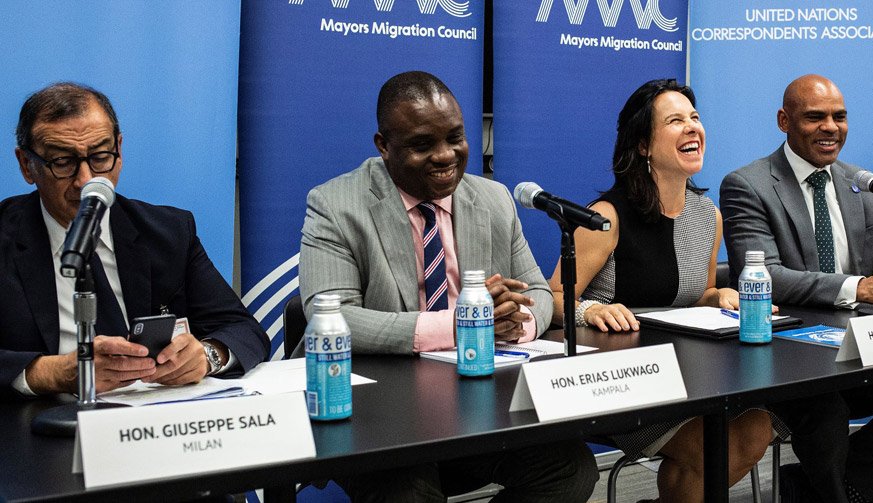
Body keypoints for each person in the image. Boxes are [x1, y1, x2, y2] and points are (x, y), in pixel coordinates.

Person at [299, 70, 597, 502]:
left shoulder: (493, 199)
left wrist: (517, 322)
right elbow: (331, 314)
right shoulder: (335, 204)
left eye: (455, 138)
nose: (445, 156)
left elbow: (537, 292)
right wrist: (461, 326)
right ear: (383, 146)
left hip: (478, 405)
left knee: (569, 471)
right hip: (381, 415)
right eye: (423, 145)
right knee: (410, 493)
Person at [721, 74, 873, 502]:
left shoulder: (862, 183)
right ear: (784, 120)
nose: (830, 127)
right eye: (815, 117)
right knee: (826, 410)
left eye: (839, 116)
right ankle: (836, 491)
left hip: (860, 348)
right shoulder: (748, 185)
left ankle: (836, 489)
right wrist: (859, 287)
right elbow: (764, 275)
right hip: (791, 355)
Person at [548, 79, 778, 503]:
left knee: (756, 428)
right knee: (714, 448)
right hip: (624, 382)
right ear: (642, 146)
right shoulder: (605, 218)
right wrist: (589, 312)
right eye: (675, 121)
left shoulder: (708, 215)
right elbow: (553, 299)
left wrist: (721, 298)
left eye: (694, 118)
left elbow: (700, 294)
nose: (692, 127)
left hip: (689, 374)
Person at [0, 82, 268, 401]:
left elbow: (242, 329)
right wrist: (50, 373)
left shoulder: (169, 232)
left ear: (119, 150)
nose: (86, 180)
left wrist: (207, 357)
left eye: (100, 156)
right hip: (37, 429)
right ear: (27, 165)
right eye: (62, 162)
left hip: (152, 425)